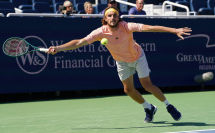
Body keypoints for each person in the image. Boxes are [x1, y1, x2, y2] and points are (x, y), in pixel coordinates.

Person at [47, 7, 192, 123]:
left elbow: (151, 27)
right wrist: (58, 48)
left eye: (114, 15)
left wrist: (174, 30)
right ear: (105, 19)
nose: (112, 18)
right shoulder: (100, 33)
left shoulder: (127, 26)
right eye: (109, 16)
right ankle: (149, 108)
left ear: (118, 17)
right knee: (128, 89)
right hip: (121, 61)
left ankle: (168, 106)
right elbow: (78, 42)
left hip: (137, 56)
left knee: (147, 85)